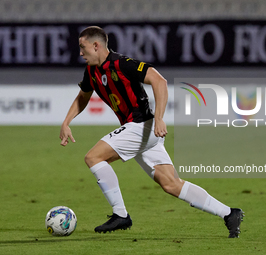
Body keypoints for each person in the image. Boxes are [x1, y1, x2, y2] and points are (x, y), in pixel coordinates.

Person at [59, 26, 244, 238]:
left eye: (83, 48)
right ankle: (229, 213)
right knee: (171, 184)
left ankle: (120, 215)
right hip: (141, 132)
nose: (80, 53)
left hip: (141, 126)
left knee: (93, 157)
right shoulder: (91, 71)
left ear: (96, 45)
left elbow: (159, 81)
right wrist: (66, 122)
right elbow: (83, 96)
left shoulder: (122, 64)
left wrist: (159, 118)